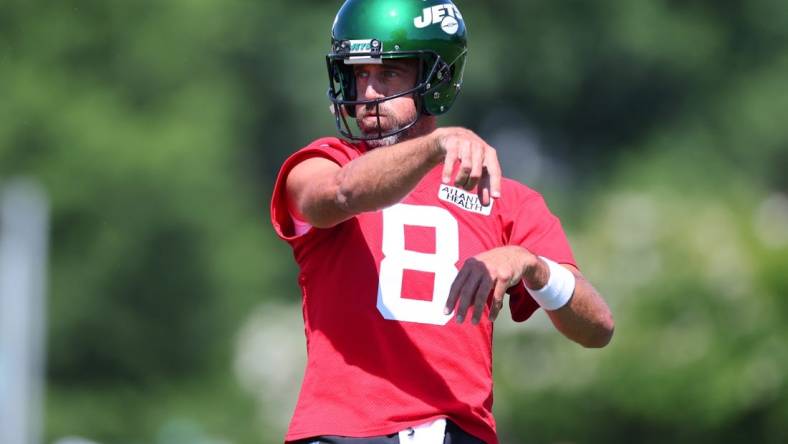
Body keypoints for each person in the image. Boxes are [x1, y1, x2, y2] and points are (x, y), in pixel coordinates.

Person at [270, 1, 614, 442]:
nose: (369, 93)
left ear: (436, 79)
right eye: (358, 73)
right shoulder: (323, 163)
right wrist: (438, 144)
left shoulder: (508, 199)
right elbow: (340, 193)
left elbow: (597, 328)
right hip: (348, 433)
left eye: (388, 72)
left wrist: (531, 264)